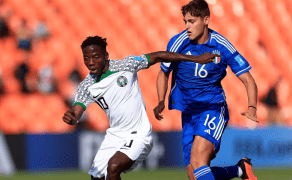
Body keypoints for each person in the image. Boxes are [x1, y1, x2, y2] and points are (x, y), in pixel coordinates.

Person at [62, 36, 218, 180]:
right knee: (96, 177)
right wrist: (72, 116)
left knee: (113, 166)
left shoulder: (126, 66)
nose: (90, 62)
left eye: (96, 57)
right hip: (114, 136)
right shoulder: (86, 86)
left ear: (106, 56)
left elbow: (157, 56)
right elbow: (77, 109)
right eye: (86, 58)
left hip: (138, 134)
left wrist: (194, 58)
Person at [153, 0, 258, 179]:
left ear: (206, 20)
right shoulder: (178, 42)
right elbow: (163, 73)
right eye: (185, 21)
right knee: (194, 174)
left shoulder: (221, 45)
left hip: (212, 108)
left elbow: (248, 79)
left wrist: (252, 107)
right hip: (188, 113)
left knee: (198, 161)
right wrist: (161, 101)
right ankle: (240, 170)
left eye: (192, 21)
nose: (187, 26)